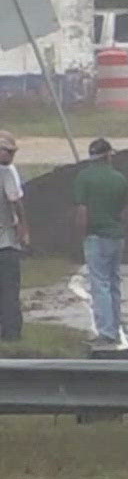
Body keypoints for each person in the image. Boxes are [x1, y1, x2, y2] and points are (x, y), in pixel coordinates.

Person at [73, 137, 128, 348]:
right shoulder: (120, 179)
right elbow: (123, 211)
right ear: (107, 155)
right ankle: (114, 327)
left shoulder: (84, 178)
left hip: (95, 236)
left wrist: (82, 234)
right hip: (116, 235)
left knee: (100, 284)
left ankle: (106, 331)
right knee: (114, 283)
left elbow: (82, 211)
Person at [0, 129, 27, 342]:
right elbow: (15, 201)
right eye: (9, 152)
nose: (12, 156)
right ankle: (11, 332)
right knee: (9, 290)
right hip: (5, 242)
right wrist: (23, 227)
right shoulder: (6, 173)